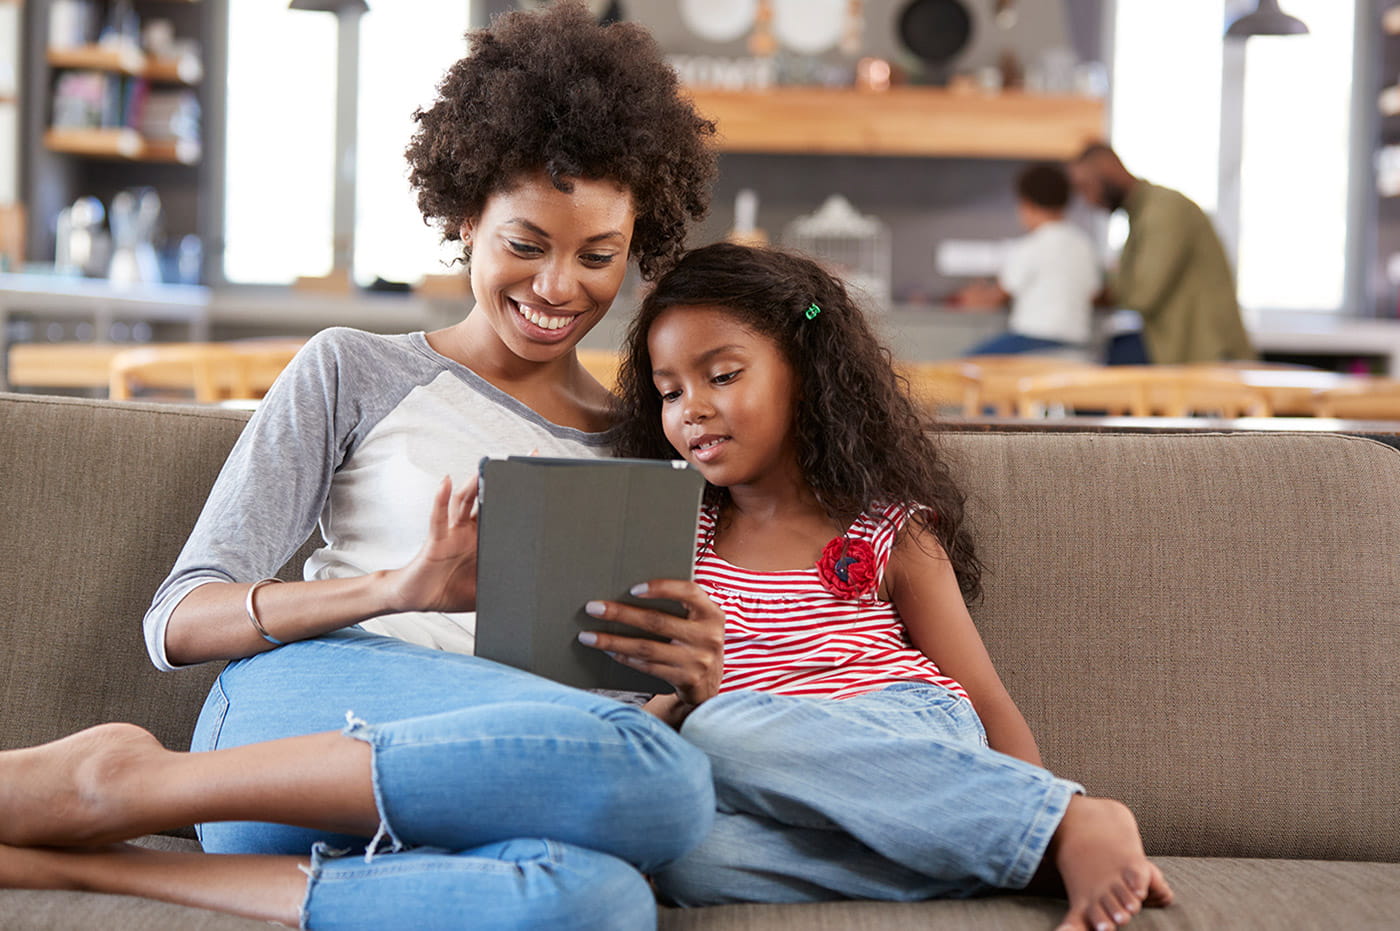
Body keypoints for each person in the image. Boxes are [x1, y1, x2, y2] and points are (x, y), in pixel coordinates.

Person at [0, 4, 722, 929]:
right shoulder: (355, 368)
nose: (557, 288)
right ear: (467, 217)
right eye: (525, 244)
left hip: (490, 786)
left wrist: (687, 684)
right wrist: (395, 588)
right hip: (295, 724)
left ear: (636, 247)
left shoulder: (649, 439)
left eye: (598, 256)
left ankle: (113, 838)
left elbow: (600, 731)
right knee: (665, 786)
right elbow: (177, 620)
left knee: (609, 898)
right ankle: (156, 784)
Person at [590, 242, 1176, 931]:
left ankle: (1068, 820)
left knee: (722, 724)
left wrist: (1042, 795)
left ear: (804, 375)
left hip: (906, 726)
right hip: (775, 786)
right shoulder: (674, 540)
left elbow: (984, 697)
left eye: (721, 375)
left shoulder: (884, 529)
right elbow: (652, 714)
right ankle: (1026, 854)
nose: (692, 408)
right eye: (670, 392)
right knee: (687, 858)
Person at [1068, 142, 1254, 365]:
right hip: (1182, 349)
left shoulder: (1163, 210)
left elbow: (1144, 294)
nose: (1089, 200)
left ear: (1108, 169)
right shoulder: (1142, 214)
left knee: (1117, 358)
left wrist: (1103, 294)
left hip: (1208, 352)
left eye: (1086, 186)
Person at [952, 162, 1101, 359]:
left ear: (1026, 205)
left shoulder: (1029, 247)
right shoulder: (1084, 245)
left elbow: (997, 297)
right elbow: (1094, 293)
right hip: (1078, 344)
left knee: (964, 364)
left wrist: (971, 298)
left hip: (1031, 340)